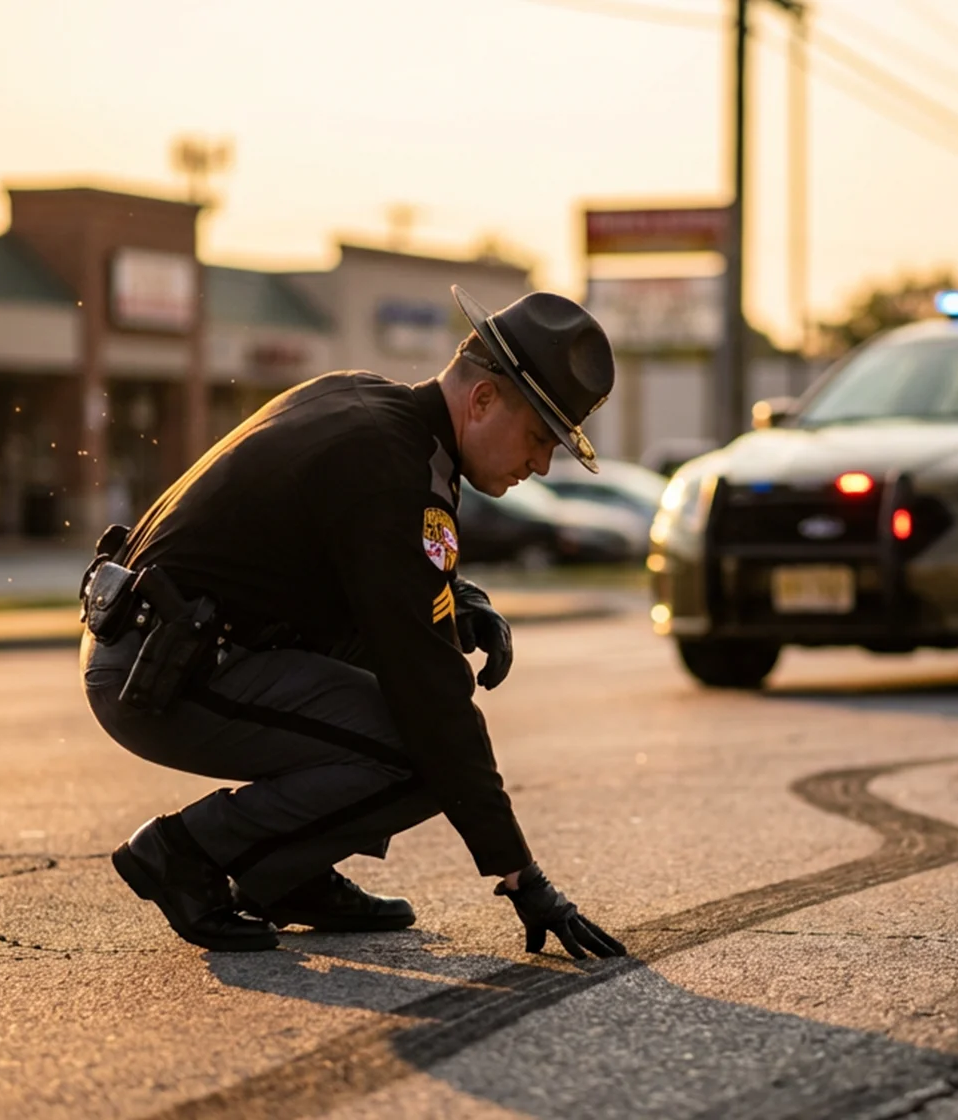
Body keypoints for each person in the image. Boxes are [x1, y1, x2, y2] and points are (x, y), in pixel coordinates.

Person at [78, 286, 626, 960]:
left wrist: (459, 602)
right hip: (162, 668)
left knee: (414, 713)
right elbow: (432, 700)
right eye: (540, 437)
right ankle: (183, 852)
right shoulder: (392, 469)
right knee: (423, 750)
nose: (541, 464)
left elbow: (366, 577)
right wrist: (520, 875)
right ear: (483, 401)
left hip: (170, 643)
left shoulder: (371, 407)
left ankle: (286, 875)